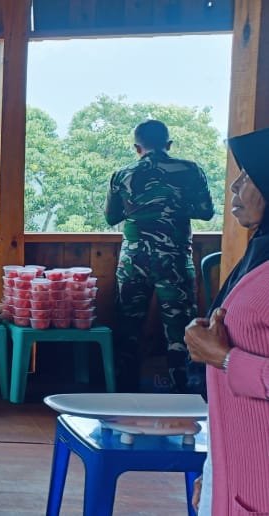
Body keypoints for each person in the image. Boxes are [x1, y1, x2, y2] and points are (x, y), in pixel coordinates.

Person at [186, 127, 269, 515]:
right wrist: (218, 467)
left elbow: (231, 360)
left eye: (250, 175)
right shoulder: (260, 251)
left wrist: (224, 358)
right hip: (239, 472)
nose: (236, 186)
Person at [106, 119, 214, 393]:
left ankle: (123, 393)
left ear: (137, 148)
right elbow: (205, 211)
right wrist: (174, 205)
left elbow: (111, 217)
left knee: (128, 327)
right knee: (181, 330)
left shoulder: (122, 174)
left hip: (133, 261)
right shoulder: (190, 170)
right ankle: (184, 394)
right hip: (174, 260)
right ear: (169, 144)